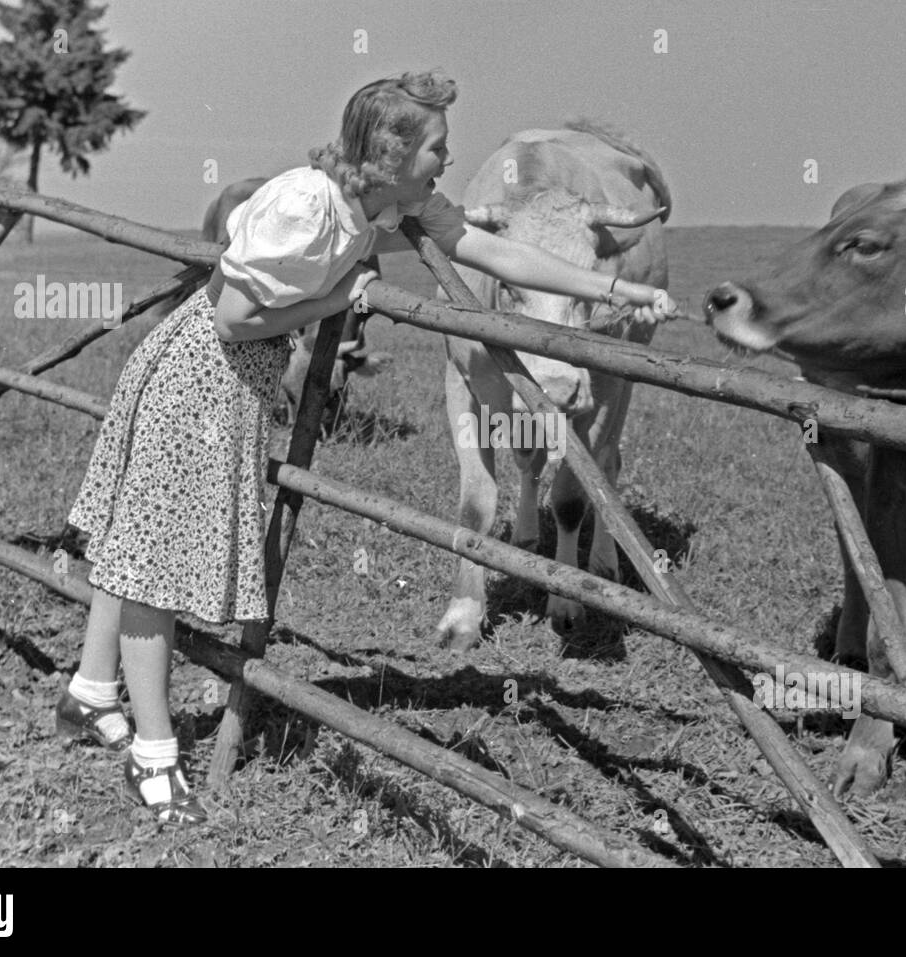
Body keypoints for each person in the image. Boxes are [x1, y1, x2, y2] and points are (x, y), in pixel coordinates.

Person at [56, 69, 676, 826]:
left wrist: (617, 292)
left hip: (233, 380)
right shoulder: (303, 205)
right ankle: (154, 756)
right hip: (201, 378)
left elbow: (497, 253)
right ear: (391, 151)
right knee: (154, 566)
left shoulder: (394, 201)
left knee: (133, 545)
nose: (450, 158)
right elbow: (232, 316)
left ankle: (90, 693)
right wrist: (338, 299)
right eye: (438, 146)